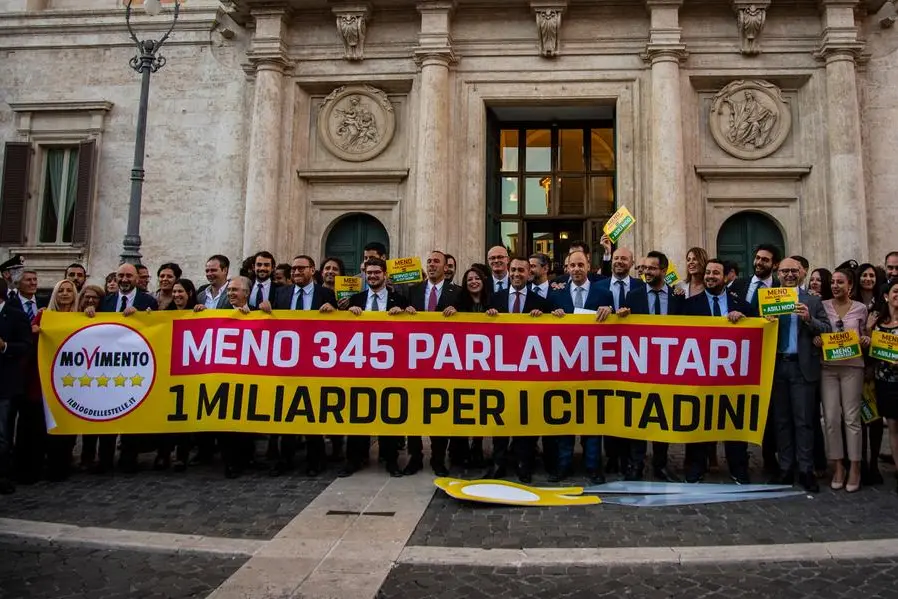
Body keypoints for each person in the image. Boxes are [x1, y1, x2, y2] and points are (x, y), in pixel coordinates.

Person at [679, 258, 756, 484]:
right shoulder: (689, 305)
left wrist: (745, 321)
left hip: (732, 377)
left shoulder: (741, 305)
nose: (710, 276)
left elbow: (757, 331)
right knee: (697, 421)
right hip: (699, 375)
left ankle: (738, 467)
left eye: (715, 273)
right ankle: (696, 466)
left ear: (725, 277)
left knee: (734, 422)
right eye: (708, 272)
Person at [264, 255, 337, 477]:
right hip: (288, 362)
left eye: (301, 268)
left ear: (312, 270)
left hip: (315, 363)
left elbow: (339, 327)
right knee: (287, 413)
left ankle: (315, 460)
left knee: (312, 413)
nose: (296, 272)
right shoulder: (281, 293)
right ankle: (285, 459)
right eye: (293, 268)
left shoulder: (326, 294)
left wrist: (333, 311)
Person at [85, 263, 159, 474]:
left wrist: (142, 316)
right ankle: (105, 459)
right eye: (120, 275)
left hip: (135, 367)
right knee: (107, 414)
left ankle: (129, 458)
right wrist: (89, 313)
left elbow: (156, 328)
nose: (124, 279)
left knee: (131, 414)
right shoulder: (105, 301)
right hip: (107, 368)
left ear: (137, 278)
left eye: (128, 276)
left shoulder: (148, 302)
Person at [548, 250, 614, 484]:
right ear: (566, 268)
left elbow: (615, 329)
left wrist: (610, 311)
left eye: (580, 265)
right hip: (564, 369)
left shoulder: (603, 293)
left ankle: (593, 467)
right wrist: (552, 315)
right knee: (564, 421)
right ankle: (563, 466)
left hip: (594, 369)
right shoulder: (556, 294)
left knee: (593, 421)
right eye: (572, 265)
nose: (576, 269)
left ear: (588, 266)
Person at [618, 250, 684, 482]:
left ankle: (660, 464)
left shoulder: (677, 297)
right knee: (638, 416)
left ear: (664, 271)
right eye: (644, 268)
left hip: (667, 367)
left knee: (662, 417)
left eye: (652, 268)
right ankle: (636, 464)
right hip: (639, 366)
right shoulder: (633, 296)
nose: (646, 272)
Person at [483, 257, 551, 483]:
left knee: (526, 420)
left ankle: (524, 465)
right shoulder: (495, 298)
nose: (516, 274)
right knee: (500, 419)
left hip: (528, 372)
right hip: (500, 371)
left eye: (521, 270)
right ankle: (498, 463)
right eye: (513, 270)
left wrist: (543, 320)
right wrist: (488, 318)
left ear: (529, 273)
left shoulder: (540, 302)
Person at [765, 257, 829, 493]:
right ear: (777, 273)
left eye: (794, 270)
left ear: (802, 273)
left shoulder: (813, 301)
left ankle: (806, 470)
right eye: (785, 271)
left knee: (804, 421)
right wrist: (765, 322)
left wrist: (809, 319)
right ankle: (785, 468)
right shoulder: (768, 299)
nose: (789, 275)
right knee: (781, 421)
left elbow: (827, 329)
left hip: (802, 367)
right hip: (777, 366)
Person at [344, 258, 409, 477]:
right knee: (358, 414)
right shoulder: (356, 299)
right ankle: (355, 459)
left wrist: (404, 313)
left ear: (385, 274)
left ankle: (390, 460)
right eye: (369, 273)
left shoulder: (399, 299)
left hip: (389, 368)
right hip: (360, 366)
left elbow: (411, 329)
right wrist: (348, 314)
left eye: (376, 272)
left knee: (387, 415)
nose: (372, 276)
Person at [404, 251, 462, 476]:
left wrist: (458, 313)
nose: (431, 265)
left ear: (446, 267)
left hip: (444, 361)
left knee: (440, 411)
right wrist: (406, 312)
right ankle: (415, 456)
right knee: (414, 411)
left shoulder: (457, 292)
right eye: (429, 261)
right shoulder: (413, 291)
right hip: (416, 361)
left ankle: (438, 458)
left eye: (436, 261)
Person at [816, 267, 868, 492]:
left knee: (852, 418)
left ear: (850, 286)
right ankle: (838, 466)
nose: (835, 286)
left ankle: (855, 466)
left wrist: (865, 340)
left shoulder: (861, 308)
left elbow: (865, 333)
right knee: (830, 418)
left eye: (840, 282)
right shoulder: (823, 306)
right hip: (828, 368)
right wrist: (817, 339)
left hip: (852, 367)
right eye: (833, 282)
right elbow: (818, 329)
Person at [29, 279, 80, 481]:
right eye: (61, 290)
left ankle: (60, 466)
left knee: (65, 425)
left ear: (75, 295)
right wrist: (34, 331)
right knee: (39, 425)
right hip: (44, 380)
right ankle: (35, 465)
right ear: (55, 294)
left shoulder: (81, 317)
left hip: (71, 383)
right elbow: (30, 342)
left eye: (69, 290)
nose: (65, 294)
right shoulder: (43, 316)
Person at [158, 278, 198, 472]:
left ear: (189, 293)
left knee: (184, 418)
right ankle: (163, 454)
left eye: (180, 291)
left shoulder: (199, 313)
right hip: (168, 372)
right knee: (166, 417)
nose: (176, 295)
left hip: (190, 373)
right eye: (174, 292)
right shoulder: (164, 314)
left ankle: (182, 455)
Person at [0, 278, 32, 494]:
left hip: (4, 383)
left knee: (2, 433)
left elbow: (25, 345)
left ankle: (2, 474)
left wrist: (5, 346)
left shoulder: (15, 315)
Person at [870, 279, 898, 493]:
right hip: (885, 382)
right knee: (894, 428)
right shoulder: (878, 321)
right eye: (895, 291)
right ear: (886, 296)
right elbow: (869, 347)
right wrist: (867, 329)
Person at [75, 284, 104, 471]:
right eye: (87, 297)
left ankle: (105, 459)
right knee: (88, 419)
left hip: (107, 376)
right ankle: (86, 457)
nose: (91, 300)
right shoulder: (74, 317)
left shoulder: (108, 315)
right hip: (81, 376)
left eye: (95, 297)